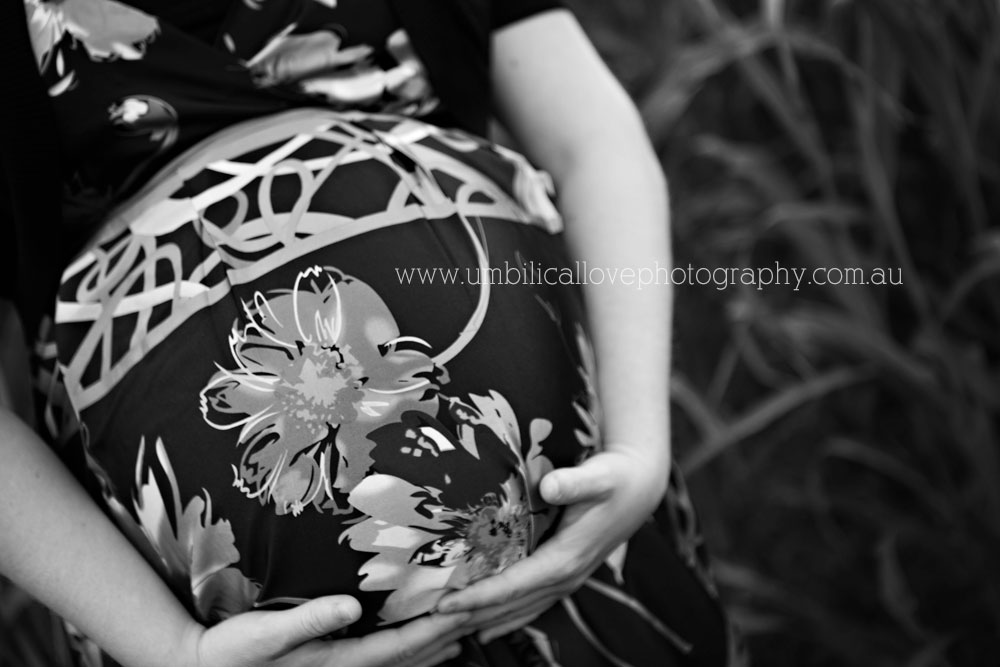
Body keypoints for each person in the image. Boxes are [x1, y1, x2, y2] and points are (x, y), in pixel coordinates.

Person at [0, 0, 743, 665]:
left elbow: (593, 142)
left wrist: (640, 446)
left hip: (582, 548)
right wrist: (171, 649)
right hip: (197, 631)